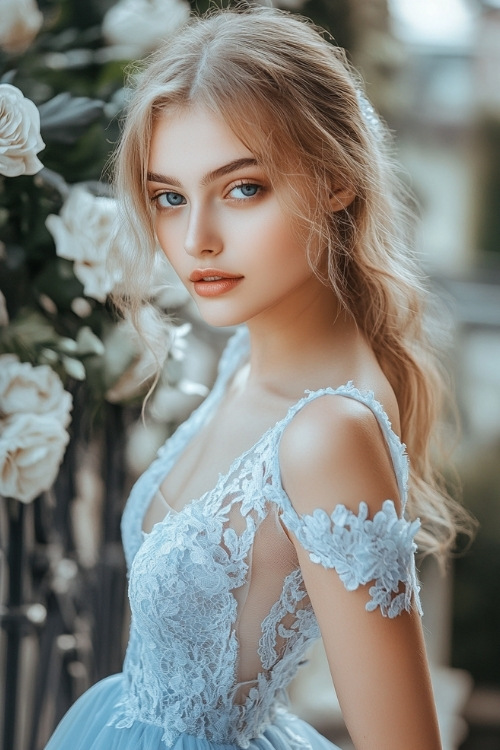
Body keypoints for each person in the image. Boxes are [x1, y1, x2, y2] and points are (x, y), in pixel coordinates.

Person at [45, 6, 469, 750]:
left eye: (243, 188)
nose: (196, 239)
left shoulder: (328, 434)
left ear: (338, 180)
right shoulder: (249, 357)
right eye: (169, 197)